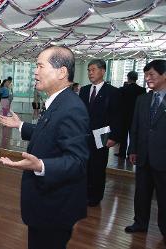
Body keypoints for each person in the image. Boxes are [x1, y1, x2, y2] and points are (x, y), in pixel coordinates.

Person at [0, 46, 89, 249]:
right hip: (46, 203)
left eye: (40, 65)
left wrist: (40, 165)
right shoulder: (59, 102)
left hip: (54, 207)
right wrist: (20, 125)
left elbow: (78, 161)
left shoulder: (71, 107)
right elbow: (48, 130)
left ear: (61, 72)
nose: (35, 72)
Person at [125, 60, 166, 246]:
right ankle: (140, 223)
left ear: (164, 75)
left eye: (152, 75)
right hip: (142, 155)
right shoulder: (142, 98)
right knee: (141, 193)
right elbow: (135, 126)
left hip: (163, 157)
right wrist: (132, 149)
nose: (147, 79)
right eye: (146, 75)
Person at [79, 59, 121, 207]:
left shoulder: (113, 92)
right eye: (89, 70)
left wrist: (114, 137)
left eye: (93, 70)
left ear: (103, 71)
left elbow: (117, 116)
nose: (90, 73)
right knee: (84, 164)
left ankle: (95, 197)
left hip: (103, 133)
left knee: (97, 165)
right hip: (84, 134)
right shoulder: (84, 90)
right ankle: (82, 193)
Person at [117, 71, 146, 159]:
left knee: (123, 135)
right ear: (136, 78)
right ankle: (131, 153)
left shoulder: (122, 89)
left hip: (124, 116)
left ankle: (122, 153)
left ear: (128, 78)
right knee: (133, 136)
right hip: (136, 116)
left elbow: (119, 103)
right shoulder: (142, 90)